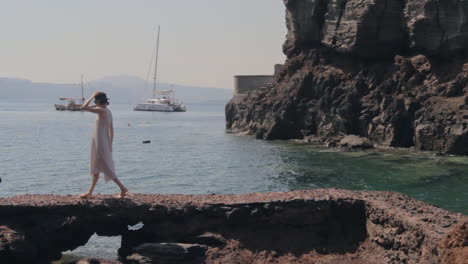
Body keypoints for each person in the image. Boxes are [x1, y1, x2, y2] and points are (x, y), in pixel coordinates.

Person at [80, 92, 128, 199]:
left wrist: (92, 95)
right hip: (103, 142)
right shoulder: (108, 111)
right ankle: (90, 192)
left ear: (98, 101)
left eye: (95, 101)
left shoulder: (101, 111)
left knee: (106, 167)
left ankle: (123, 188)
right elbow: (112, 130)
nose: (94, 103)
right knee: (96, 168)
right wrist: (110, 144)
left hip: (100, 142)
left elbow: (84, 107)